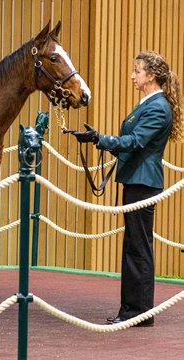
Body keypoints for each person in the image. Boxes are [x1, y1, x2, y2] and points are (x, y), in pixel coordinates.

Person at [69, 51, 184, 327]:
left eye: (137, 71)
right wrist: (103, 140)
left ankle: (139, 311)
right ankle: (134, 309)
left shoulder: (157, 107)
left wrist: (100, 139)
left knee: (139, 247)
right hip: (137, 181)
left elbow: (135, 141)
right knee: (134, 245)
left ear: (151, 76)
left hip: (143, 183)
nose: (133, 76)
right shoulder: (149, 104)